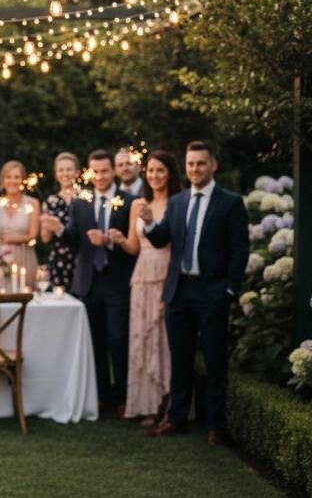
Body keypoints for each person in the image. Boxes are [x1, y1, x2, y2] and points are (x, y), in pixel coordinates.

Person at [142, 141, 249, 445]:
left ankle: (216, 425)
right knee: (180, 359)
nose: (194, 169)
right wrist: (150, 224)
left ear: (213, 165)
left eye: (200, 163)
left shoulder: (230, 202)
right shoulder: (177, 201)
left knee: (215, 360)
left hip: (212, 290)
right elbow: (163, 239)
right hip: (179, 289)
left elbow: (240, 249)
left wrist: (229, 288)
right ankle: (177, 419)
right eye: (190, 164)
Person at [41, 149, 136, 417]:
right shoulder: (81, 201)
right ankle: (102, 396)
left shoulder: (129, 200)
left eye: (105, 171)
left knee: (118, 340)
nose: (101, 176)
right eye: (95, 171)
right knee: (94, 341)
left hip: (117, 280)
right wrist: (59, 229)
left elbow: (135, 242)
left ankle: (122, 396)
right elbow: (72, 238)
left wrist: (112, 240)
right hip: (88, 281)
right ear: (89, 172)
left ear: (113, 171)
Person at [109, 150, 182, 424]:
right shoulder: (138, 203)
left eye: (160, 170)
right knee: (142, 338)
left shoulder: (178, 202)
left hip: (166, 273)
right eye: (151, 170)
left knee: (164, 339)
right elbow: (133, 246)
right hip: (141, 275)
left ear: (170, 174)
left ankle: (170, 403)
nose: (154, 176)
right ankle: (145, 405)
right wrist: (117, 239)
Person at [0, 160, 39, 290]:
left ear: (23, 180)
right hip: (0, 260)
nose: (12, 181)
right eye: (8, 177)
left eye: (17, 177)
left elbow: (33, 235)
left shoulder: (32, 203)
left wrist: (11, 239)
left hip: (25, 258)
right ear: (3, 180)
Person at [39, 152, 81, 289]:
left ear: (77, 172)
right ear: (56, 174)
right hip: (59, 260)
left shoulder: (86, 198)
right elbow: (45, 239)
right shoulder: (50, 201)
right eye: (61, 170)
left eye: (69, 169)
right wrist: (46, 224)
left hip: (82, 259)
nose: (65, 173)